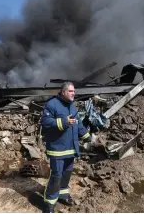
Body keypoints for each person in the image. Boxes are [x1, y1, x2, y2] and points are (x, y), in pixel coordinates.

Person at [41, 82, 91, 213]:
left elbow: (78, 123)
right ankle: (49, 203)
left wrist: (87, 135)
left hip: (70, 148)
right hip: (57, 149)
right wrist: (64, 121)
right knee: (56, 175)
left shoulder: (72, 107)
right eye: (70, 91)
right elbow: (45, 123)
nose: (73, 93)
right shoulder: (52, 104)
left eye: (74, 91)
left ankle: (62, 195)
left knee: (66, 174)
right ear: (63, 92)